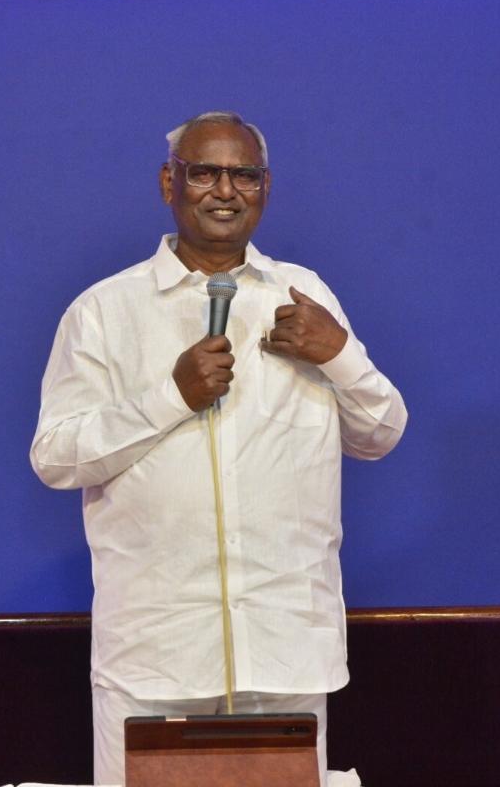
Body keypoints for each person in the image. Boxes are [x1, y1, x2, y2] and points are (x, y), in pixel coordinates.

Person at [29, 111, 407, 787]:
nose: (226, 191)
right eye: (205, 173)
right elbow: (55, 457)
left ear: (267, 188)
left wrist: (338, 354)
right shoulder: (105, 311)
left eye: (245, 175)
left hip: (285, 649)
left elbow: (379, 434)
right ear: (168, 183)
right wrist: (169, 397)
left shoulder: (304, 297)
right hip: (154, 656)